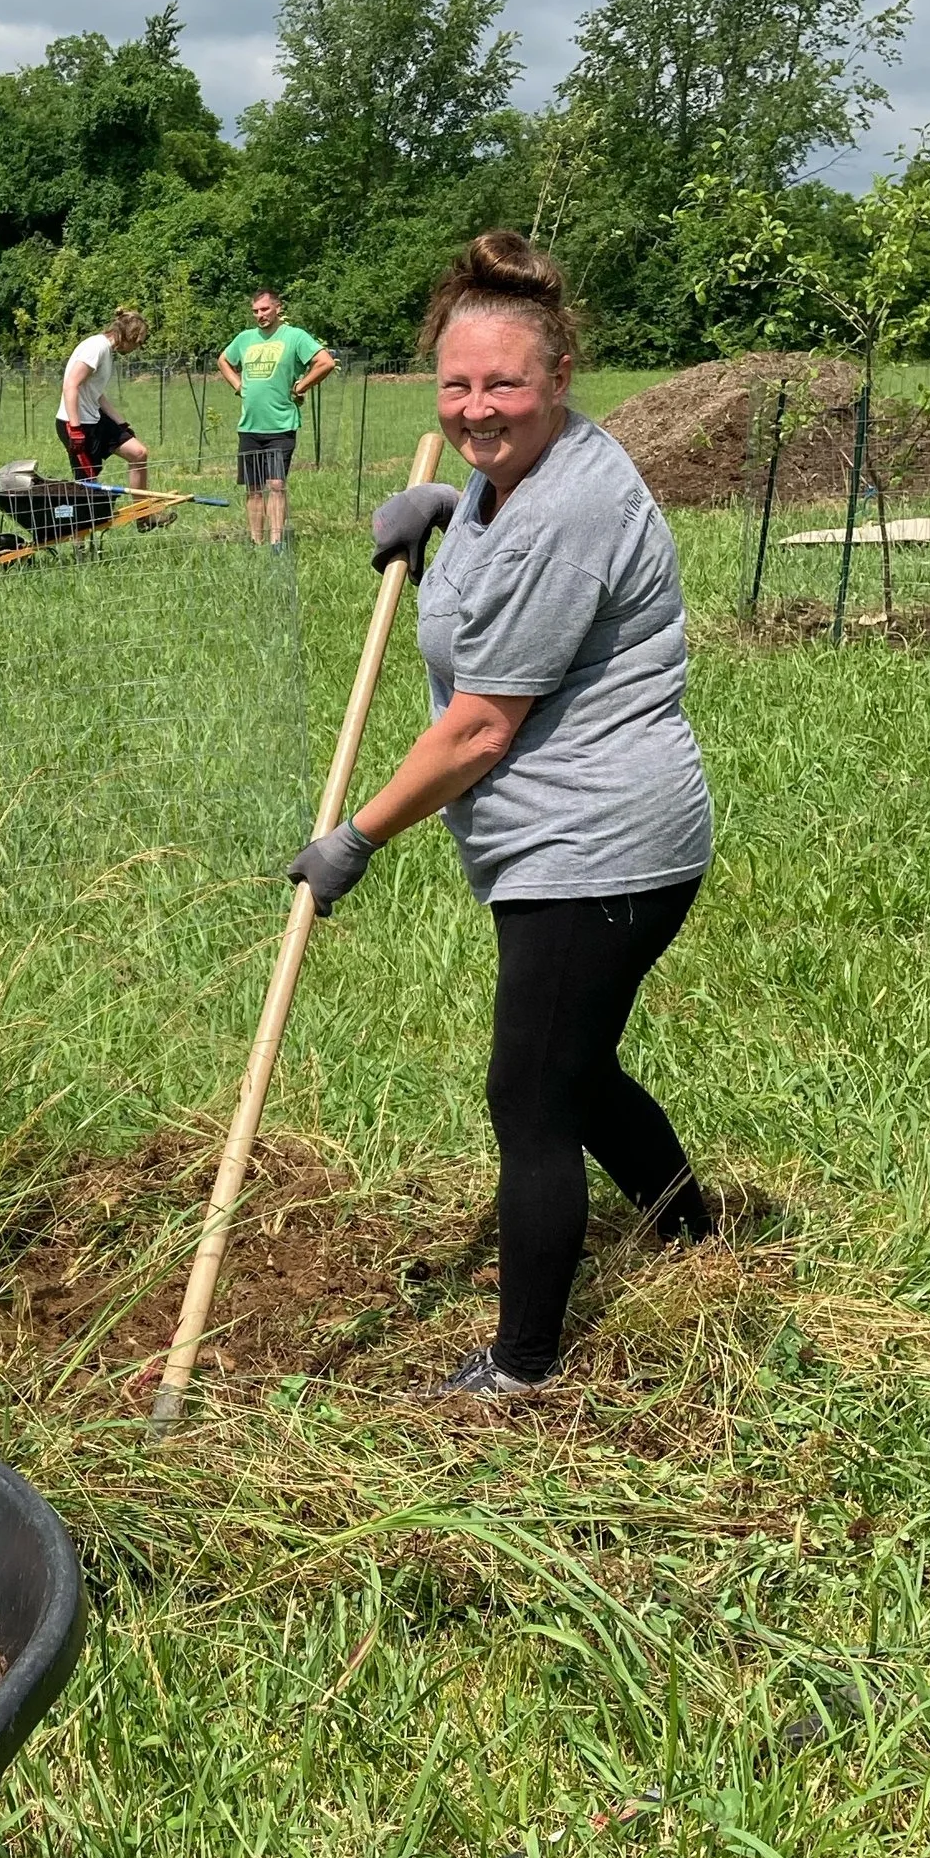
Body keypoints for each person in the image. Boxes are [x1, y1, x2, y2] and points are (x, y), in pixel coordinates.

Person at [283, 231, 713, 1396]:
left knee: (528, 1093)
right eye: (457, 386)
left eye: (504, 385)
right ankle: (694, 1237)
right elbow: (493, 531)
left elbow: (478, 728)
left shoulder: (570, 510)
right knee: (575, 1069)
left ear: (561, 374)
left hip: (600, 850)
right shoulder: (515, 476)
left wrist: (356, 836)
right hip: (570, 839)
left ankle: (522, 1367)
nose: (478, 408)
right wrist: (447, 504)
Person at [219, 292, 334, 546]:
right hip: (250, 426)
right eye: (255, 311)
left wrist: (301, 385)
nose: (260, 315)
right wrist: (238, 386)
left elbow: (324, 362)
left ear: (277, 308)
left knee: (276, 484)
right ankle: (255, 542)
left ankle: (276, 543)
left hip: (281, 424)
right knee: (253, 488)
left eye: (265, 309)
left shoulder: (295, 337)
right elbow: (224, 360)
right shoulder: (245, 339)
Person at [57, 307, 150, 494]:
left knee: (139, 453)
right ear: (129, 336)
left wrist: (121, 423)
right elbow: (70, 385)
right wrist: (75, 429)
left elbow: (96, 393)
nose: (137, 348)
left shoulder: (106, 350)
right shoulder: (96, 347)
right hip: (76, 423)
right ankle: (85, 522)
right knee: (88, 486)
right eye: (138, 343)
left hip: (95, 419)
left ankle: (143, 517)